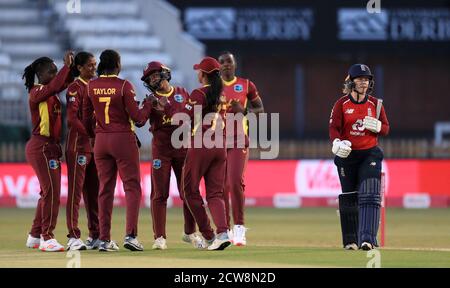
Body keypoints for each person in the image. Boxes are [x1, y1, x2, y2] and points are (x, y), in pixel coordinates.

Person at [82, 49, 152, 252]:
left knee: (105, 189)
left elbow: (86, 117)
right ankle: (131, 236)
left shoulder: (91, 86)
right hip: (123, 139)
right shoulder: (123, 86)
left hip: (101, 141)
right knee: (132, 187)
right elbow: (138, 119)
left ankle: (104, 240)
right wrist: (148, 104)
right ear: (118, 65)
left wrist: (96, 134)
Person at [160, 56, 231, 250]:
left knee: (188, 190)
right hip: (220, 144)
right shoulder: (221, 94)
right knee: (215, 194)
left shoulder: (199, 92)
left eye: (199, 70)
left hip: (202, 144)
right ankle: (223, 233)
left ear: (204, 75)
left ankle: (208, 235)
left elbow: (182, 118)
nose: (197, 73)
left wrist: (165, 106)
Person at [139, 61, 204, 250]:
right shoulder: (150, 99)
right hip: (161, 150)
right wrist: (145, 106)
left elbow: (191, 119)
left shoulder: (183, 93)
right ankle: (159, 237)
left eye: (155, 75)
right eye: (149, 79)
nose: (153, 80)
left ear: (165, 74)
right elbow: (141, 120)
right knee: (160, 194)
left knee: (188, 193)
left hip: (183, 149)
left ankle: (190, 232)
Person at [329, 64, 390, 251]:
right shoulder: (341, 104)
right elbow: (334, 128)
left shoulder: (376, 104)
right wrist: (337, 142)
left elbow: (386, 129)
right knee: (349, 197)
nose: (364, 82)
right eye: (360, 79)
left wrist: (379, 127)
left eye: (367, 79)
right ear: (351, 82)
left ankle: (368, 239)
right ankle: (350, 240)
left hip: (369, 153)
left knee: (370, 193)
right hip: (348, 155)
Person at [23, 51, 74, 252]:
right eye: (51, 72)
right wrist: (66, 68)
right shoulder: (36, 92)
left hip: (50, 147)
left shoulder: (51, 92)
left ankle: (35, 235)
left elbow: (62, 83)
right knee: (51, 192)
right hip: (40, 146)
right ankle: (47, 237)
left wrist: (71, 68)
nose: (55, 75)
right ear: (41, 75)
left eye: (56, 72)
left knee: (47, 192)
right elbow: (56, 84)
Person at [217, 51, 264, 246]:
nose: (226, 65)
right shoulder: (212, 86)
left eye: (229, 62)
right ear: (218, 66)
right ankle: (224, 230)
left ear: (235, 65)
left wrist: (243, 110)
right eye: (222, 62)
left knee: (235, 181)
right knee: (221, 187)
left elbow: (260, 110)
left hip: (237, 140)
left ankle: (239, 228)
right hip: (215, 141)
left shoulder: (246, 85)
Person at [65, 51, 100, 250]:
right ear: (79, 68)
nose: (93, 68)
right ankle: (73, 235)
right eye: (90, 65)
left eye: (95, 65)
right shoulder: (74, 87)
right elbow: (72, 119)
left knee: (93, 192)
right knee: (76, 192)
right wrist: (89, 133)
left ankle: (95, 234)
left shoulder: (96, 86)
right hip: (78, 145)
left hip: (95, 146)